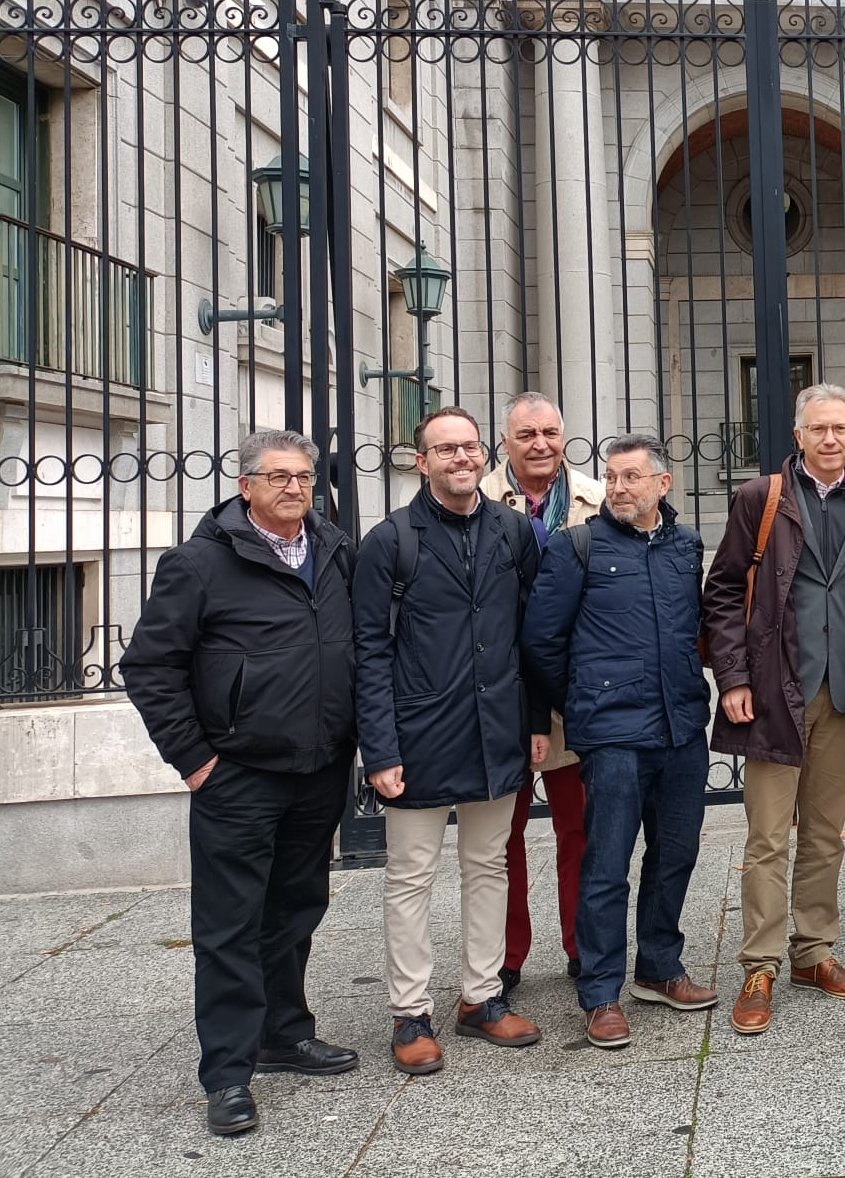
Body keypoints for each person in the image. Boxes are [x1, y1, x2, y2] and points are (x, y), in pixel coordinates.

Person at [121, 429, 360, 1138]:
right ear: (245, 485)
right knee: (228, 927)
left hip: (318, 769)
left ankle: (284, 1034)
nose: (295, 487)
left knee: (295, 909)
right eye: (279, 476)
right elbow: (149, 668)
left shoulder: (337, 552)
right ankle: (226, 1074)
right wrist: (195, 760)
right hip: (237, 775)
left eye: (304, 476)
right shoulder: (199, 564)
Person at [351, 406, 545, 1074]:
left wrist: (537, 722)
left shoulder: (515, 533)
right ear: (420, 460)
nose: (462, 459)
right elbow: (369, 651)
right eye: (446, 449)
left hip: (496, 733)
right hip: (417, 736)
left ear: (485, 456)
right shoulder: (390, 541)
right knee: (410, 877)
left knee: (489, 867)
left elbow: (533, 636)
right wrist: (379, 749)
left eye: (470, 447)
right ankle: (410, 1014)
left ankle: (482, 999)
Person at [521, 434, 716, 1048]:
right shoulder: (577, 546)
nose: (619, 488)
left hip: (681, 727)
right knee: (606, 862)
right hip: (612, 735)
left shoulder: (686, 546)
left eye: (633, 477)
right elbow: (542, 643)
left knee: (675, 854)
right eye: (612, 477)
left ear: (663, 485)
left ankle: (658, 968)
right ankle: (601, 991)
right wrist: (585, 698)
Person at [704, 383, 845, 1035]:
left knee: (825, 834)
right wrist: (731, 676)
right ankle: (760, 965)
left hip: (842, 692)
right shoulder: (763, 498)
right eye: (820, 428)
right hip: (774, 693)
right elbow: (723, 589)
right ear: (799, 436)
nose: (832, 438)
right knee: (765, 839)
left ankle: (814, 952)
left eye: (842, 428)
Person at [479, 391, 605, 996]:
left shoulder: (600, 500)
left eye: (550, 432)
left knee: (579, 829)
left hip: (574, 690)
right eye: (526, 434)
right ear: (505, 442)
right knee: (500, 837)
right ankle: (505, 956)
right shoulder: (472, 499)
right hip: (498, 692)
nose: (540, 444)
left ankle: (584, 946)